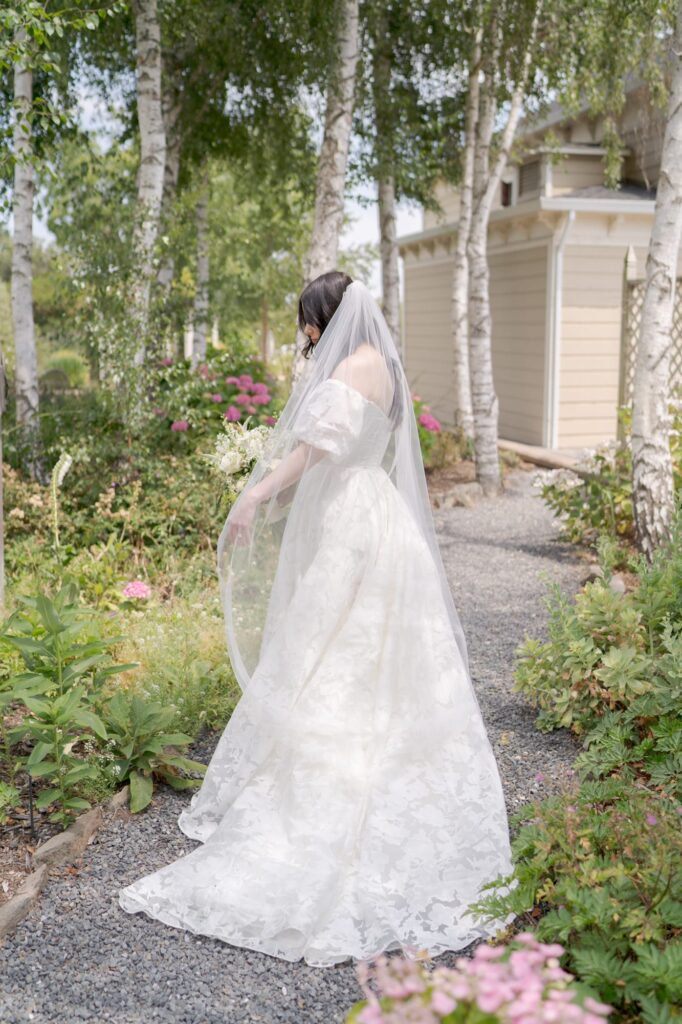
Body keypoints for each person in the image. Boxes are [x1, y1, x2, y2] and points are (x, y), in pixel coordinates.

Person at [118, 272, 518, 968]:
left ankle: (324, 793)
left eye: (308, 323)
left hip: (349, 521)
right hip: (382, 519)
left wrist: (255, 493)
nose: (306, 335)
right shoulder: (385, 368)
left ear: (323, 319)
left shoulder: (344, 368)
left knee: (325, 646)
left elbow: (314, 452)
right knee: (382, 653)